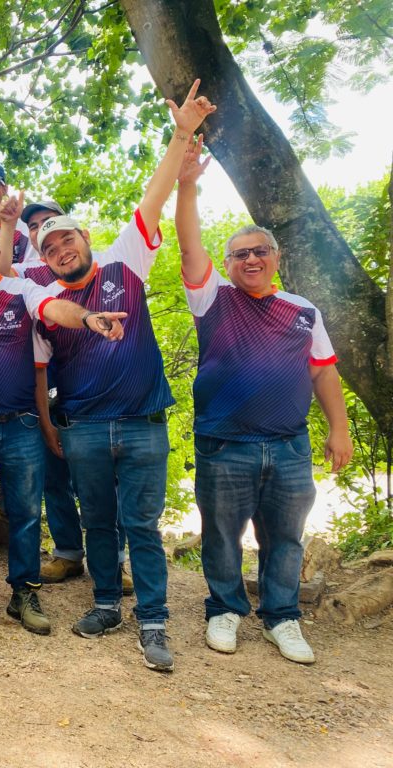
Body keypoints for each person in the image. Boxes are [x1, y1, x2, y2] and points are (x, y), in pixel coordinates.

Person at [33, 80, 216, 671]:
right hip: (84, 427)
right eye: (49, 247)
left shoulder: (126, 262)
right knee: (99, 522)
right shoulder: (47, 298)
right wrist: (86, 317)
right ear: (43, 260)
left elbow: (155, 194)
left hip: (141, 424)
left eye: (66, 238)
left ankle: (154, 621)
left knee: (142, 523)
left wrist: (182, 133)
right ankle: (107, 603)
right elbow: (57, 314)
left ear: (85, 238)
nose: (60, 249)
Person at [175, 136, 352, 664]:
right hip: (225, 445)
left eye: (260, 251)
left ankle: (282, 618)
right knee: (222, 535)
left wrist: (338, 430)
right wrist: (188, 184)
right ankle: (224, 609)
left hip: (289, 446)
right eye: (240, 253)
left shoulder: (303, 310)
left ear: (276, 257)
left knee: (286, 539)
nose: (250, 259)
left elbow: (324, 375)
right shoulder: (212, 298)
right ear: (227, 262)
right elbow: (188, 244)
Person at [0, 221, 126, 635]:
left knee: (25, 514)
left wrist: (89, 318)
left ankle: (24, 592)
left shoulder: (21, 292)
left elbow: (54, 308)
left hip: (20, 425)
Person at [0, 195, 133, 593]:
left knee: (110, 483)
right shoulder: (30, 274)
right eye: (34, 226)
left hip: (100, 391)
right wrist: (9, 225)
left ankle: (118, 560)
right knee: (53, 477)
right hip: (46, 387)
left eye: (49, 221)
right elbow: (2, 271)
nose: (42, 229)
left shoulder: (101, 262)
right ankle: (68, 553)